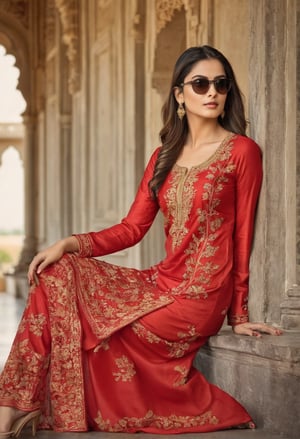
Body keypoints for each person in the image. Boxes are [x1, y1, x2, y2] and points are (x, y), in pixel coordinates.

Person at [0, 45, 282, 436]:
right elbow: (131, 229)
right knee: (57, 274)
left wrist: (238, 315)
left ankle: (14, 412)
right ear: (180, 94)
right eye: (200, 84)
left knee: (95, 321)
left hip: (200, 295)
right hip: (161, 281)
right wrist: (68, 243)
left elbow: (243, 235)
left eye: (221, 83)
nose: (212, 92)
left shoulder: (241, 152)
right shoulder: (163, 156)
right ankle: (11, 407)